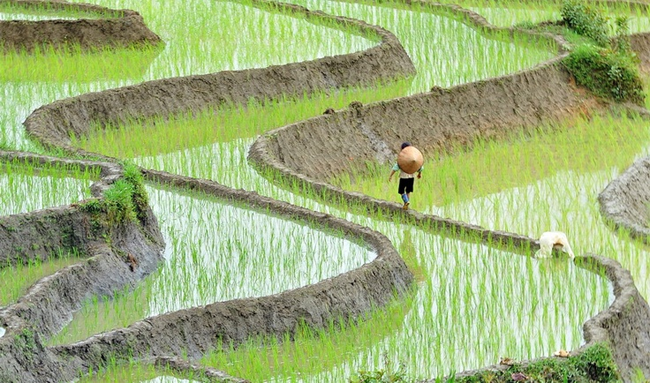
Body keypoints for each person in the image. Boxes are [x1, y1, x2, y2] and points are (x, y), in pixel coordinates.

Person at [388, 142, 422, 210]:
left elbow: (395, 168)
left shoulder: (402, 158)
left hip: (404, 177)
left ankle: (406, 201)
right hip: (411, 177)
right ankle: (406, 205)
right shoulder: (414, 158)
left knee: (401, 191)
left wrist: (390, 176)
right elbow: (420, 167)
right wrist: (419, 174)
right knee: (408, 191)